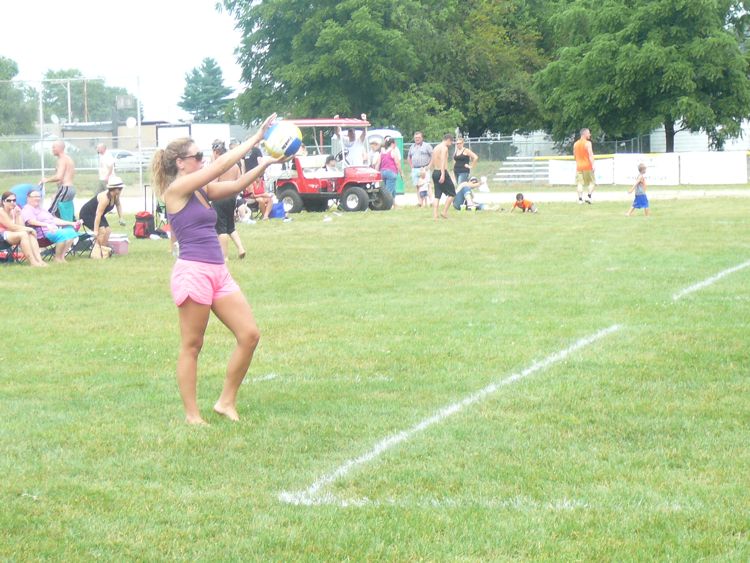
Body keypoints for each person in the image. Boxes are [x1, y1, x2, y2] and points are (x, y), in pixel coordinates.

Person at [150, 113, 286, 424]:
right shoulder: (177, 189)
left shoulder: (200, 189)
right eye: (196, 156)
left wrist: (265, 162)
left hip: (217, 272)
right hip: (193, 272)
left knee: (249, 334)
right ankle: (192, 415)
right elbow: (220, 167)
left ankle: (226, 401)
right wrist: (255, 139)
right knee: (192, 345)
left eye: (200, 156)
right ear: (180, 163)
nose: (201, 160)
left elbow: (235, 183)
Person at [21, 190, 81, 263]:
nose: (37, 198)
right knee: (61, 235)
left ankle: (62, 257)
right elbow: (31, 221)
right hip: (43, 235)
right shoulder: (27, 209)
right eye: (35, 196)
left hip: (53, 230)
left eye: (39, 196)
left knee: (71, 232)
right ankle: (57, 258)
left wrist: (71, 223)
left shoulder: (41, 209)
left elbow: (53, 220)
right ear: (28, 198)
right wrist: (46, 225)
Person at [211, 140, 247, 260]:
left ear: (216, 152)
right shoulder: (235, 165)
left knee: (221, 229)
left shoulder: (218, 165)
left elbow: (214, 183)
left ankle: (224, 256)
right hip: (232, 198)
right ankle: (241, 248)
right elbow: (240, 182)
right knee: (231, 226)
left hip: (220, 197)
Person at [79, 175, 126, 256]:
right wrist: (96, 231)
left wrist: (121, 217)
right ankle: (96, 253)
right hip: (87, 214)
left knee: (108, 231)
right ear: (114, 189)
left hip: (97, 214)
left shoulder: (115, 196)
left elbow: (118, 205)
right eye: (120, 188)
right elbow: (98, 215)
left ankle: (103, 251)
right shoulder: (105, 198)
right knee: (102, 231)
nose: (121, 190)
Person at [0, 191, 46, 267]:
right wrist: (30, 229)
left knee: (29, 234)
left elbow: (20, 226)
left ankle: (39, 260)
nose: (12, 202)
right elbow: (11, 227)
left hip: (11, 235)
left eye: (14, 200)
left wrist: (18, 215)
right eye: (9, 200)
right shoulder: (1, 211)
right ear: (3, 202)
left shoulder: (15, 211)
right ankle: (33, 262)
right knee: (24, 234)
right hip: (2, 236)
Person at [41, 140, 77, 221]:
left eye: (54, 147)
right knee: (64, 212)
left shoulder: (62, 159)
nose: (52, 149)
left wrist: (46, 180)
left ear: (60, 148)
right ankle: (71, 226)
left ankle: (54, 230)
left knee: (51, 212)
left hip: (65, 188)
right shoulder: (68, 159)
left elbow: (59, 177)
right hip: (70, 189)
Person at [430, 133, 456, 219]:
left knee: (437, 194)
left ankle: (435, 215)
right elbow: (442, 161)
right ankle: (444, 212)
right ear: (448, 140)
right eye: (451, 142)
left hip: (435, 172)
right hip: (442, 172)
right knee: (452, 193)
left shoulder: (436, 147)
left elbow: (433, 161)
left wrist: (428, 169)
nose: (451, 144)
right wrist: (443, 174)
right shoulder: (444, 148)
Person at [574, 128, 595, 204]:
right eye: (589, 133)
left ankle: (580, 199)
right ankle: (589, 197)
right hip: (587, 166)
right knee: (592, 182)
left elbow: (575, 156)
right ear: (584, 134)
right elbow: (590, 155)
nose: (590, 134)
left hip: (579, 166)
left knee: (579, 183)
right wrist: (593, 165)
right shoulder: (588, 143)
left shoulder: (575, 144)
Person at [379, 137, 402, 206]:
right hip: (391, 172)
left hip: (383, 171)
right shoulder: (393, 151)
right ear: (392, 144)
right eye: (395, 143)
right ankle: (386, 205)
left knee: (390, 188)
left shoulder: (382, 152)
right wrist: (401, 173)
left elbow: (378, 163)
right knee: (389, 191)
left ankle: (394, 203)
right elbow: (397, 163)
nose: (395, 145)